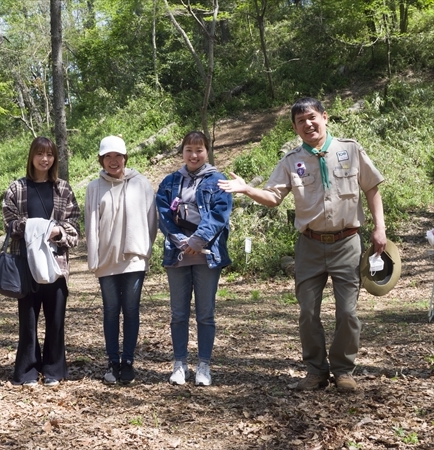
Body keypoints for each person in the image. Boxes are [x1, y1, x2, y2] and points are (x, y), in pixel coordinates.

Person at [218, 97, 386, 392]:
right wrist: (247, 189)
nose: (308, 124)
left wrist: (379, 229)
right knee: (308, 312)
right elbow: (273, 198)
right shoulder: (291, 161)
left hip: (347, 243)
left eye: (312, 118)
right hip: (309, 245)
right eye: (300, 121)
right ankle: (316, 371)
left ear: (324, 117)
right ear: (295, 128)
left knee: (347, 312)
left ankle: (344, 371)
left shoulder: (349, 150)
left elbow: (371, 188)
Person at [2, 137, 80, 388]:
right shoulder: (17, 188)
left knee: (56, 320)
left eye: (49, 154)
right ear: (31, 157)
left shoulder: (63, 189)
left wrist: (58, 232)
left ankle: (55, 370)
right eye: (39, 154)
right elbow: (9, 223)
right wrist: (38, 226)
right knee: (28, 320)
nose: (44, 159)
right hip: (25, 265)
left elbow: (74, 228)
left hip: (56, 265)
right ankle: (27, 371)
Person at [156, 131, 232, 386]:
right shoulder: (169, 182)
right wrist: (182, 241)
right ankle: (179, 364)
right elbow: (164, 215)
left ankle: (204, 365)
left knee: (205, 314)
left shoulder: (218, 181)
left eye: (199, 150)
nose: (194, 155)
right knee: (178, 313)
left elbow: (220, 215)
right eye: (189, 149)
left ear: (207, 152)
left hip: (207, 255)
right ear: (182, 152)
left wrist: (198, 241)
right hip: (178, 255)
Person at [85, 135, 157, 384]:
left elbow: (151, 221)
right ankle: (112, 362)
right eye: (108, 157)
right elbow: (91, 224)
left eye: (118, 156)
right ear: (101, 160)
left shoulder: (142, 184)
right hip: (107, 260)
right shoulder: (94, 187)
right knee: (111, 311)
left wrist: (143, 249)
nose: (113, 161)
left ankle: (128, 362)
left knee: (131, 309)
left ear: (125, 158)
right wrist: (94, 258)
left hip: (134, 259)